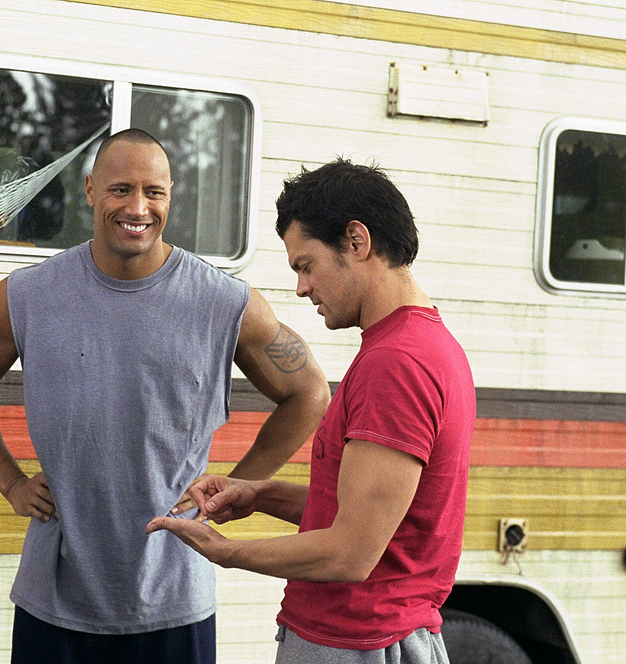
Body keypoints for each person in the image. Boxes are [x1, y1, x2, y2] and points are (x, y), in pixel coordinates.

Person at [0, 128, 330, 664]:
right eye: (120, 189)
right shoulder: (29, 294)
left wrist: (240, 484)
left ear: (170, 197)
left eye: (154, 192)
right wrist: (10, 482)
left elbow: (309, 392)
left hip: (173, 597)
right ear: (91, 189)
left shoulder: (222, 301)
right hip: (54, 598)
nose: (137, 207)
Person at [148, 158, 476, 664]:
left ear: (357, 242)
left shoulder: (397, 362)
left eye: (306, 265)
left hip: (356, 641)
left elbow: (350, 552)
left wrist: (224, 552)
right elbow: (372, 517)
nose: (302, 287)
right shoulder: (421, 343)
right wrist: (259, 495)